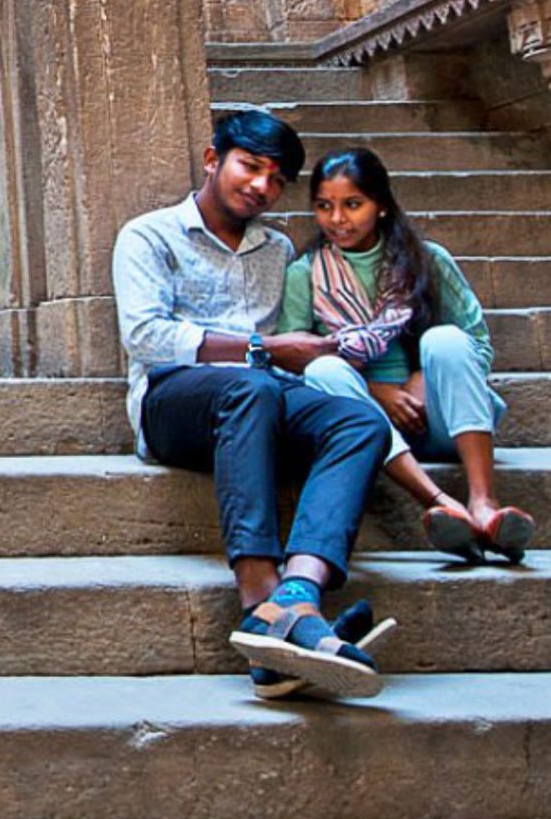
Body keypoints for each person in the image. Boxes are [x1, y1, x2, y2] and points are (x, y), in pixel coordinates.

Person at [113, 109, 397, 700]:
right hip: (174, 402)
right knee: (254, 384)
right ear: (214, 160)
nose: (261, 186)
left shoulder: (277, 250)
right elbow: (146, 337)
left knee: (360, 420)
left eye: (276, 178)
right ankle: (258, 599)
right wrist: (263, 348)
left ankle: (298, 594)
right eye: (250, 167)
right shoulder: (148, 235)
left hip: (261, 400)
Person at [281, 146, 535, 562]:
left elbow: (479, 345)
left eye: (353, 205)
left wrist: (419, 380)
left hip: (441, 420)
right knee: (321, 368)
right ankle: (438, 502)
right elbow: (292, 364)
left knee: (447, 340)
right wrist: (378, 393)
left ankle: (483, 502)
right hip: (366, 425)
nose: (338, 219)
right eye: (324, 207)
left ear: (380, 205)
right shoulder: (304, 275)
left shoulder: (427, 261)